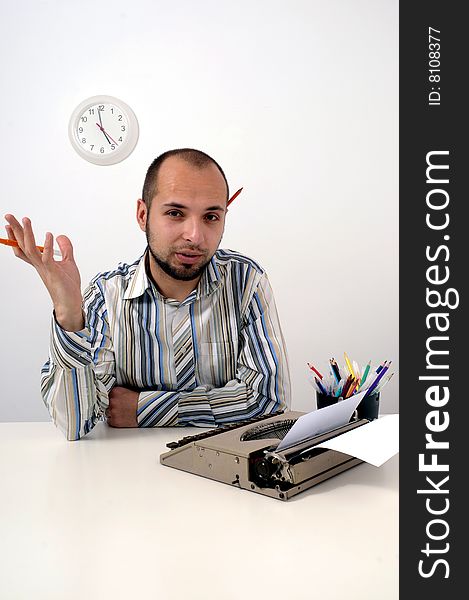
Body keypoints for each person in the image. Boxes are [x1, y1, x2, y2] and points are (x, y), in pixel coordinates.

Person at [4, 148, 291, 440]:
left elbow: (268, 401)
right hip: (132, 477)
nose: (195, 235)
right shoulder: (106, 296)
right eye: (175, 213)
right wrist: (69, 314)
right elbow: (76, 424)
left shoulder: (245, 282)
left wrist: (144, 408)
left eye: (211, 217)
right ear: (143, 215)